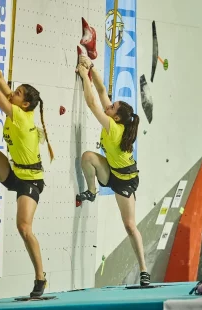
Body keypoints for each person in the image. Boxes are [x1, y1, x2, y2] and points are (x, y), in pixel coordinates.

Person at [0, 39, 54, 297]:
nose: (12, 93)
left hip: (30, 182)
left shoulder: (20, 115)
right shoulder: (19, 107)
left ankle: (40, 277)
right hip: (15, 173)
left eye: (17, 93)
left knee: (24, 228)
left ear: (24, 104)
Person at [75, 55, 150, 286]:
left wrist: (81, 75)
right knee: (88, 157)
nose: (109, 105)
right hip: (113, 171)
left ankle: (144, 270)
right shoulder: (114, 119)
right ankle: (91, 191)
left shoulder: (114, 128)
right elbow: (100, 90)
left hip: (125, 181)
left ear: (115, 117)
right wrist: (90, 66)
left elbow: (91, 102)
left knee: (129, 225)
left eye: (112, 106)